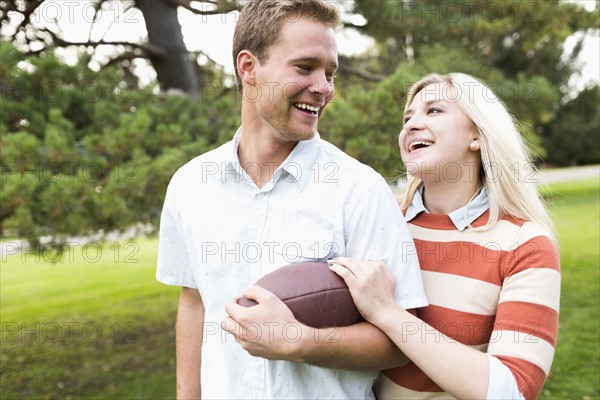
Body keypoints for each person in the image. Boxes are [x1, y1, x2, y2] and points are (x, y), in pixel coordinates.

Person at [155, 1, 427, 398]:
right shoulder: (189, 185)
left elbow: (403, 339)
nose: (324, 87)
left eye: (330, 73)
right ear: (248, 68)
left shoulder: (360, 189)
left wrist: (299, 342)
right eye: (305, 68)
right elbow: (195, 304)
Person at [329, 72, 561, 400]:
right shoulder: (380, 220)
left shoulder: (526, 244)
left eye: (434, 111)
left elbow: (513, 390)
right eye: (407, 117)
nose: (410, 125)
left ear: (477, 135)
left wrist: (388, 314)